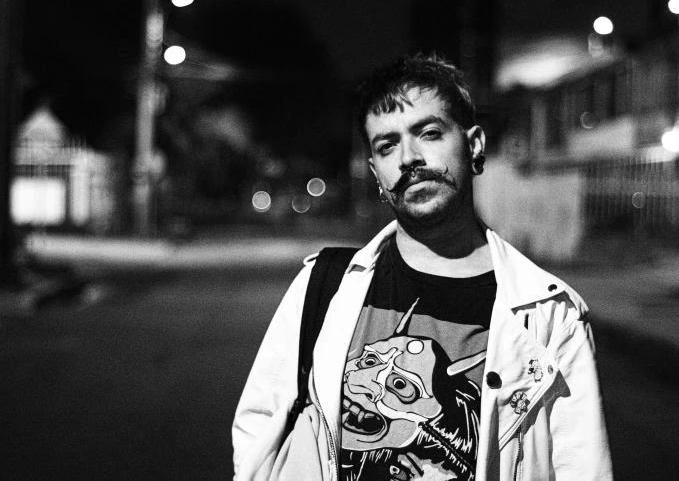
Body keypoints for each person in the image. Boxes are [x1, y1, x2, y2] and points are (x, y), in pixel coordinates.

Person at [232, 54, 612, 481]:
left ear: (474, 146)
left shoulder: (549, 315)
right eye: (387, 146)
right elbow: (258, 428)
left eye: (429, 133)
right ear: (376, 172)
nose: (409, 157)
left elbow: (582, 468)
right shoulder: (323, 285)